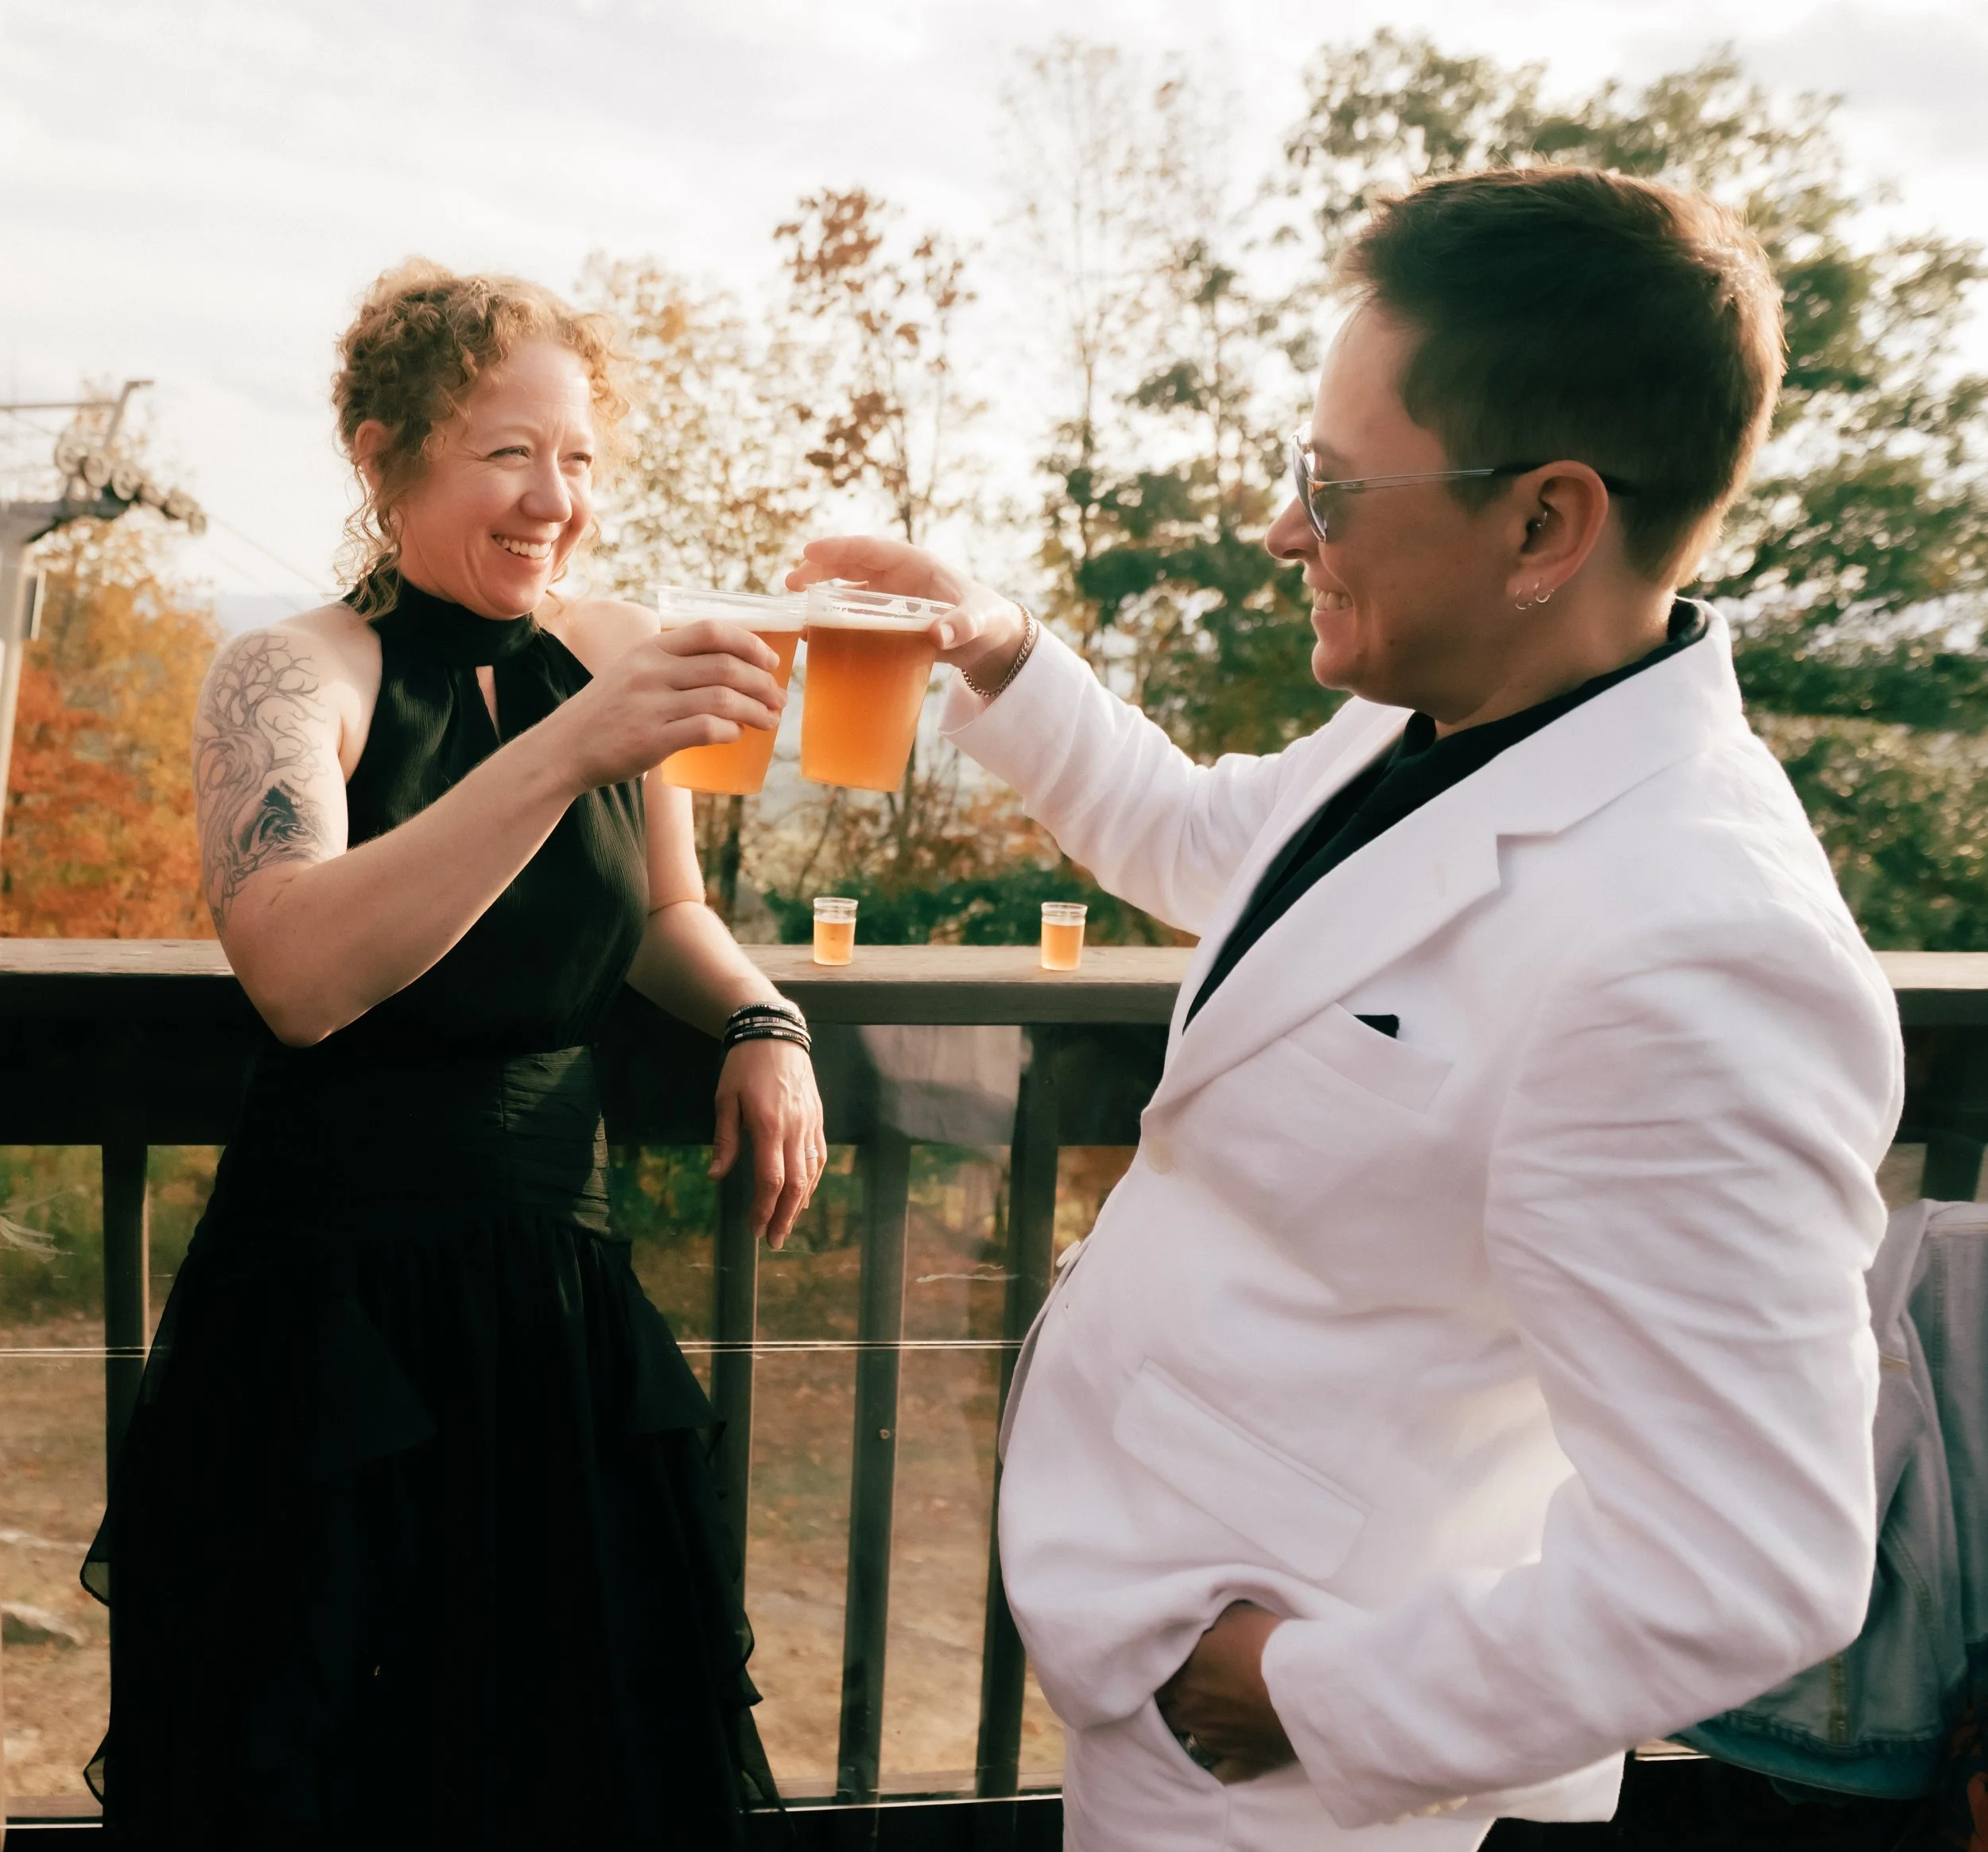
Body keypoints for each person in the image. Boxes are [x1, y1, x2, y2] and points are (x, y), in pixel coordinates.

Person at [792, 169, 1905, 1850]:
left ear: (1544, 526)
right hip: (1173, 1683)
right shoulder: (1433, 723)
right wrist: (1002, 651)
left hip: (1308, 1789)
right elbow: (1199, 844)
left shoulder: (1695, 946)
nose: (1281, 531)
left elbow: (1752, 1566)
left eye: (1328, 486)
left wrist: (1312, 1700)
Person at [83, 261, 825, 1849]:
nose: (554, 500)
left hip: (557, 1313)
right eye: (507, 453)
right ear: (383, 454)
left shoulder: (614, 647)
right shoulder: (291, 673)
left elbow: (660, 913)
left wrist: (762, 1016)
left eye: (578, 458)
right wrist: (568, 747)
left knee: (568, 1776)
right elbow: (297, 974)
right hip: (329, 1320)